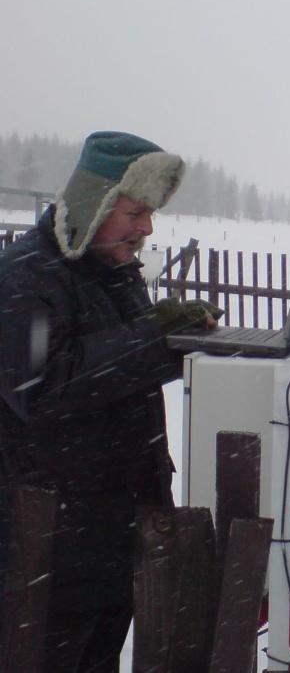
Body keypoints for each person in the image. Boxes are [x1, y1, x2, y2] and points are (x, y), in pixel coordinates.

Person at [0, 131, 220, 672]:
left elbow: (117, 368)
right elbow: (41, 388)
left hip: (112, 533)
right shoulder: (26, 276)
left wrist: (177, 333)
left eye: (150, 214)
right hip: (53, 542)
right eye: (135, 213)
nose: (147, 228)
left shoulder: (113, 270)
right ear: (91, 203)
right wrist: (157, 338)